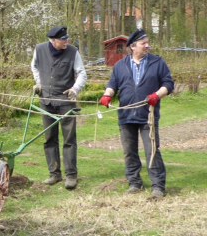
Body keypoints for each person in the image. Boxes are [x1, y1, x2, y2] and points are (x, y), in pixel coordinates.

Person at [99, 28, 174, 199]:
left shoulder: (158, 63)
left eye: (147, 43)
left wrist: (157, 95)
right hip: (126, 116)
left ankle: (158, 186)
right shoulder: (120, 66)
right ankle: (134, 183)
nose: (147, 46)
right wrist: (107, 95)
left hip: (148, 116)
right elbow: (112, 85)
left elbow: (168, 84)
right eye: (143, 43)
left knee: (152, 150)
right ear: (133, 46)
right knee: (129, 151)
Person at [31, 26, 87, 190]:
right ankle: (54, 174)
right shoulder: (39, 50)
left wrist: (75, 89)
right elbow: (34, 66)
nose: (66, 41)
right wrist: (39, 83)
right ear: (53, 41)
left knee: (69, 139)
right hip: (46, 101)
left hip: (66, 101)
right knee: (50, 138)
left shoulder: (73, 52)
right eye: (63, 39)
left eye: (67, 38)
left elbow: (82, 73)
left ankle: (71, 175)